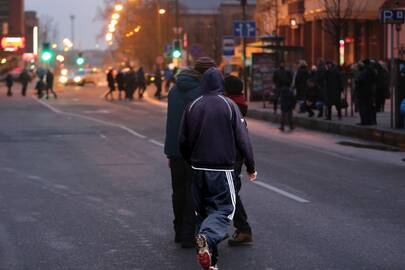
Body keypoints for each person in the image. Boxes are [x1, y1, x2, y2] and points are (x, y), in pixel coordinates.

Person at [179, 68, 257, 270]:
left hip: (197, 168)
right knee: (224, 210)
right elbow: (243, 139)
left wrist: (190, 161)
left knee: (203, 212)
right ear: (220, 84)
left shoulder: (192, 106)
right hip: (222, 169)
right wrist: (251, 165)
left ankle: (209, 259)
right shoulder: (229, 105)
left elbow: (183, 140)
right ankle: (206, 238)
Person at [164, 57, 217, 249]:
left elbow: (172, 123)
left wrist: (170, 152)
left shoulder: (173, 91)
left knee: (178, 192)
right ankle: (189, 234)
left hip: (175, 150)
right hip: (196, 151)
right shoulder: (203, 94)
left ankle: (179, 231)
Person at [224, 75, 253, 246]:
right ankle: (241, 228)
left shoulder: (228, 106)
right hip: (236, 156)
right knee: (228, 192)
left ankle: (243, 229)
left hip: (227, 155)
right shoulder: (238, 104)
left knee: (227, 193)